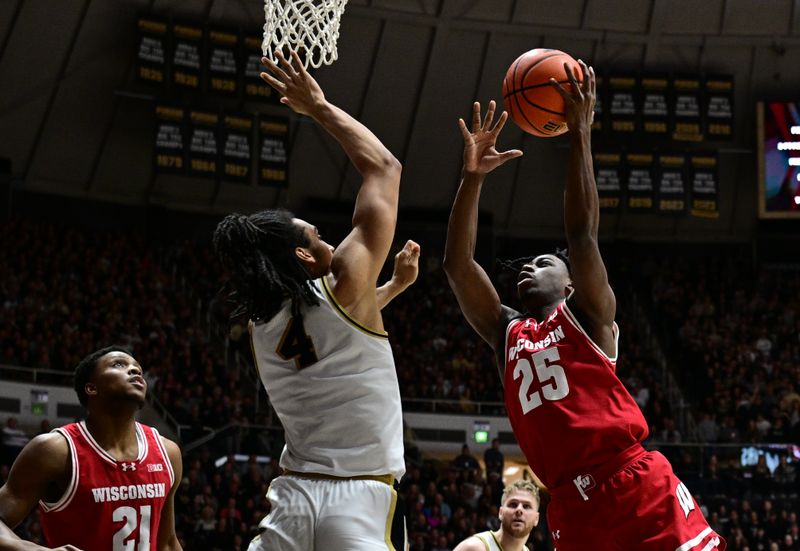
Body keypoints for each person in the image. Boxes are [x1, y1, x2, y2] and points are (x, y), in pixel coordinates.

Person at [443, 61, 725, 550]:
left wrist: (580, 134)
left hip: (632, 480)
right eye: (528, 264)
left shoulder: (589, 316)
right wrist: (471, 179)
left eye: (545, 262)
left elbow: (581, 234)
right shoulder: (506, 332)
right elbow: (457, 265)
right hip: (570, 507)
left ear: (571, 284)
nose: (529, 268)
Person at [213, 50, 417, 551]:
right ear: (305, 256)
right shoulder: (345, 282)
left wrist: (391, 289)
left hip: (293, 498)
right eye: (319, 236)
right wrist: (320, 108)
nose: (330, 242)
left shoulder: (263, 327)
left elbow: (333, 342)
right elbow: (385, 169)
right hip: (361, 500)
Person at [0, 346, 182, 551]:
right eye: (119, 365)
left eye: (137, 368)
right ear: (91, 388)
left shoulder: (168, 452)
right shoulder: (55, 450)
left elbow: (166, 543)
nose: (134, 371)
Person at [453, 479, 540, 551]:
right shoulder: (474, 547)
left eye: (526, 506)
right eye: (513, 504)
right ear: (500, 513)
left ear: (536, 518)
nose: (519, 510)